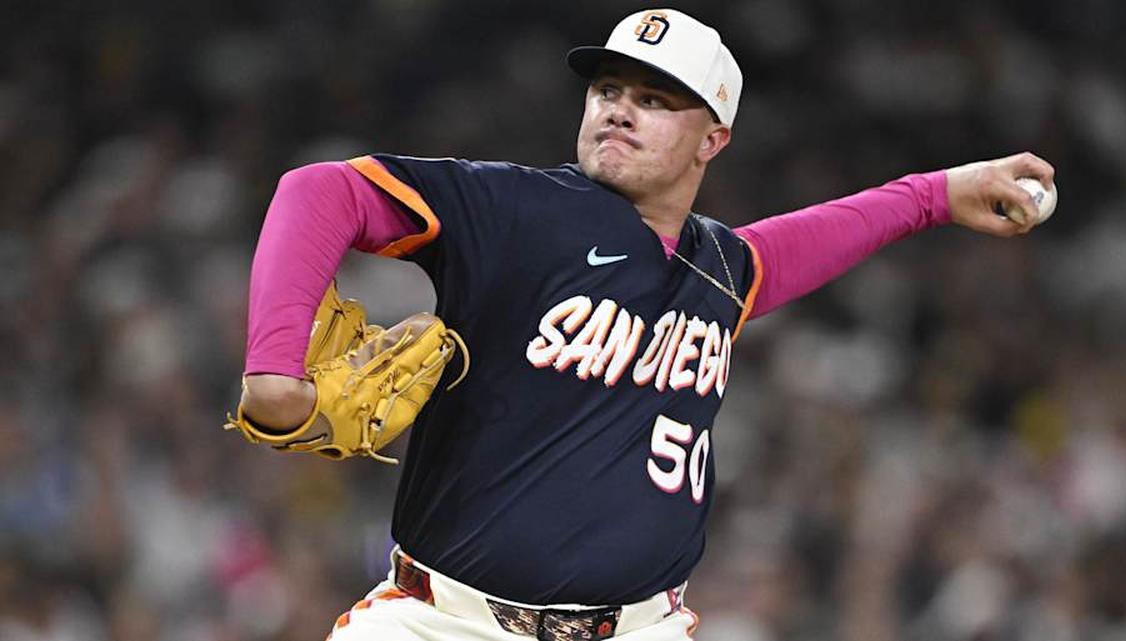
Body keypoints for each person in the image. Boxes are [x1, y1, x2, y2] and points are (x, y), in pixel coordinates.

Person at [235, 8, 1055, 641]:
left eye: (655, 100)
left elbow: (825, 231)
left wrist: (938, 192)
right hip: (445, 620)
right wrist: (274, 370)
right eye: (608, 91)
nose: (620, 111)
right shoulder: (514, 208)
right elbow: (320, 192)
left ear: (714, 138)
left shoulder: (721, 270)